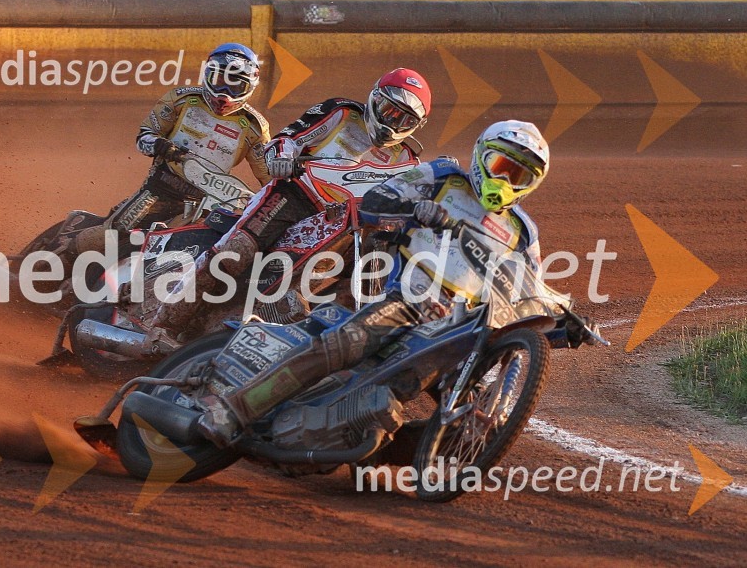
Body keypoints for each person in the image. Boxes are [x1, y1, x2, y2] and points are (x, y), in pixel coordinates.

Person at [196, 119, 570, 447]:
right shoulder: (442, 178)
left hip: (461, 326)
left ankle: (380, 447)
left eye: (520, 176)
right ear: (481, 156)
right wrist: (414, 209)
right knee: (343, 344)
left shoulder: (522, 231)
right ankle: (233, 410)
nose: (506, 181)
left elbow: (530, 288)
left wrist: (564, 320)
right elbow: (376, 200)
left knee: (472, 413)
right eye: (502, 166)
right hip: (409, 298)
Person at [154, 67, 432, 335]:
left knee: (372, 272)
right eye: (388, 110)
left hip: (345, 222)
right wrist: (281, 158)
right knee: (234, 252)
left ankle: (330, 335)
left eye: (403, 119)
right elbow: (288, 137)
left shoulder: (407, 159)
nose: (391, 123)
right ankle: (164, 325)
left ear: (417, 126)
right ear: (374, 98)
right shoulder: (341, 113)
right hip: (295, 194)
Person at [58, 43, 271, 273]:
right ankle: (55, 264)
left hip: (205, 204)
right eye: (220, 80)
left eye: (235, 85)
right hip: (160, 188)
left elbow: (269, 178)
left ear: (249, 87)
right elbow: (144, 137)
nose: (224, 93)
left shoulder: (254, 127)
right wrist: (161, 145)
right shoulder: (182, 99)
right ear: (207, 75)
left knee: (172, 253)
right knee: (113, 232)